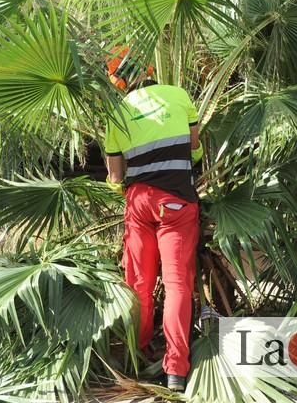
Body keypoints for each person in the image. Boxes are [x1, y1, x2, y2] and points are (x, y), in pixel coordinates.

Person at [104, 48, 203, 392]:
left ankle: (137, 353)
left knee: (139, 284)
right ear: (148, 72)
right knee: (177, 284)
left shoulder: (117, 112)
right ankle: (175, 369)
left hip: (139, 203)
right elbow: (194, 146)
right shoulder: (179, 95)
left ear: (121, 82)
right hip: (176, 203)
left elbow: (116, 177)